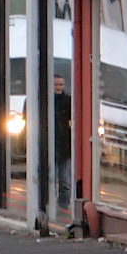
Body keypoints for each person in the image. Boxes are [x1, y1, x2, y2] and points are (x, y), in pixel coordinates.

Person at [51, 74, 73, 210]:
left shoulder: (68, 101)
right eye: (56, 84)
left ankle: (63, 206)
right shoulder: (46, 101)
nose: (59, 87)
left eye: (61, 84)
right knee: (51, 178)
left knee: (65, 180)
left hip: (64, 147)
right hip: (51, 146)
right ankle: (51, 205)